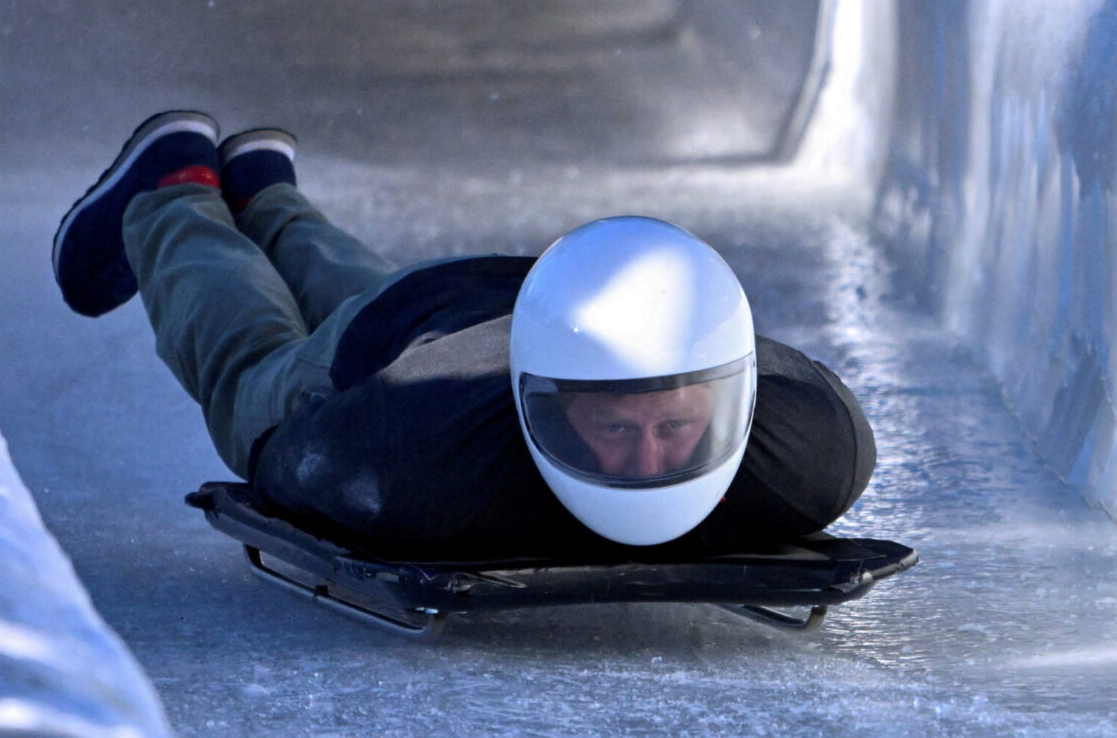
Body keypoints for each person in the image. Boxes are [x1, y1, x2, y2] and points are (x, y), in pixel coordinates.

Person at [53, 111, 876, 562]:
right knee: (254, 372)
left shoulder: (815, 447)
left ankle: (269, 194)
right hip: (403, 352)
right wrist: (272, 452)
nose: (650, 465)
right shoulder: (414, 460)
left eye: (676, 426)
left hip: (483, 300)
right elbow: (281, 460)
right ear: (541, 410)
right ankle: (173, 189)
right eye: (616, 430)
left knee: (385, 303)